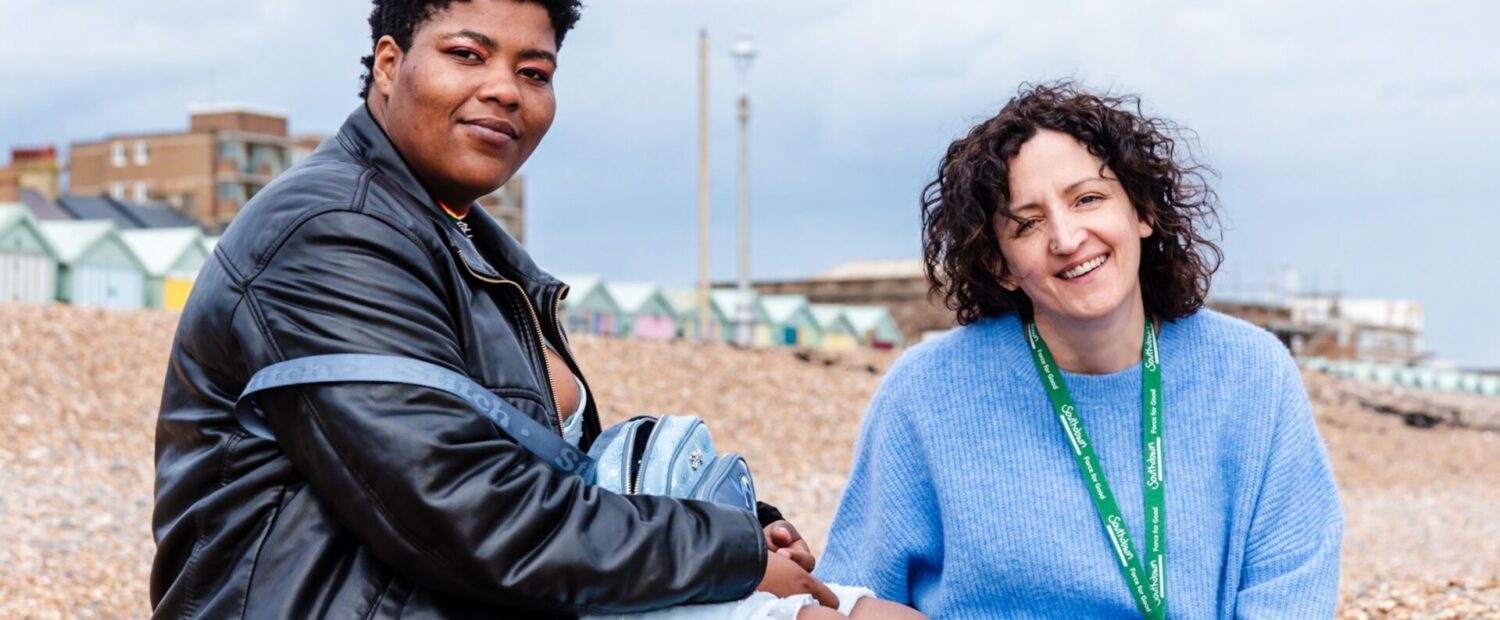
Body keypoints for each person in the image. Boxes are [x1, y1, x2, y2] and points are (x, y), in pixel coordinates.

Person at [151, 1, 902, 617]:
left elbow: (555, 480)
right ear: (389, 65)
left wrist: (750, 529)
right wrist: (729, 553)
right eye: (468, 55)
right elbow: (464, 509)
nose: (507, 89)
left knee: (859, 609)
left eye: (533, 71)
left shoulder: (465, 242)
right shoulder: (331, 233)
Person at [815, 82, 1343, 618]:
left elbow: (1290, 588)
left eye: (1087, 199)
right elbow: (850, 595)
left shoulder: (1251, 372)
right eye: (1027, 223)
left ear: (1142, 210)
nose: (1067, 238)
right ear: (999, 263)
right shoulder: (925, 392)